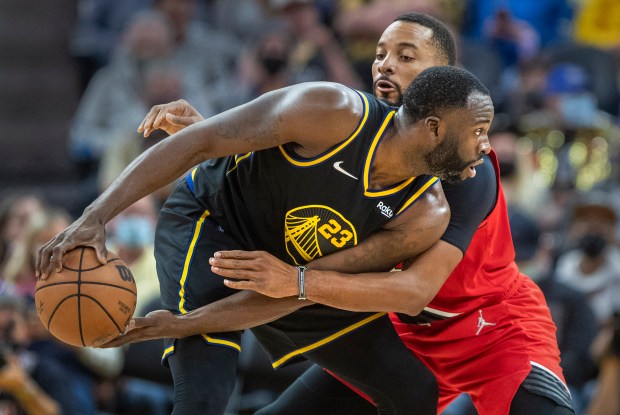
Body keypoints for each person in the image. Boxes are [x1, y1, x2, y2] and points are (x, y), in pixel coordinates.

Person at [105, 13, 573, 415]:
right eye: (380, 54)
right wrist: (216, 139)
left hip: (491, 329)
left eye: (406, 56)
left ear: (444, 80)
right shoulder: (355, 128)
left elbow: (414, 289)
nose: (386, 64)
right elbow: (294, 191)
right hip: (405, 332)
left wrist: (296, 281)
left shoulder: (466, 171)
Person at [37, 54, 493, 415]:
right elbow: (200, 141)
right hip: (213, 223)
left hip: (289, 274)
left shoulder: (424, 216)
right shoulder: (332, 111)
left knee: (413, 390)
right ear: (434, 129)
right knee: (204, 396)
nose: (486, 146)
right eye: (478, 131)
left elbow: (305, 285)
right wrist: (95, 216)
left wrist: (188, 322)